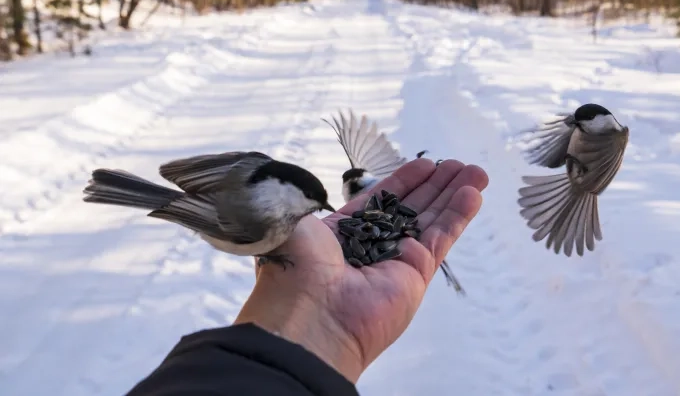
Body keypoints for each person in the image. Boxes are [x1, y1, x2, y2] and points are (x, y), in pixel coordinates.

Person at [126, 158, 489, 395]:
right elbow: (203, 211)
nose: (320, 210)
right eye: (314, 201)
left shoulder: (258, 169)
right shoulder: (263, 219)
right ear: (287, 191)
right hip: (210, 212)